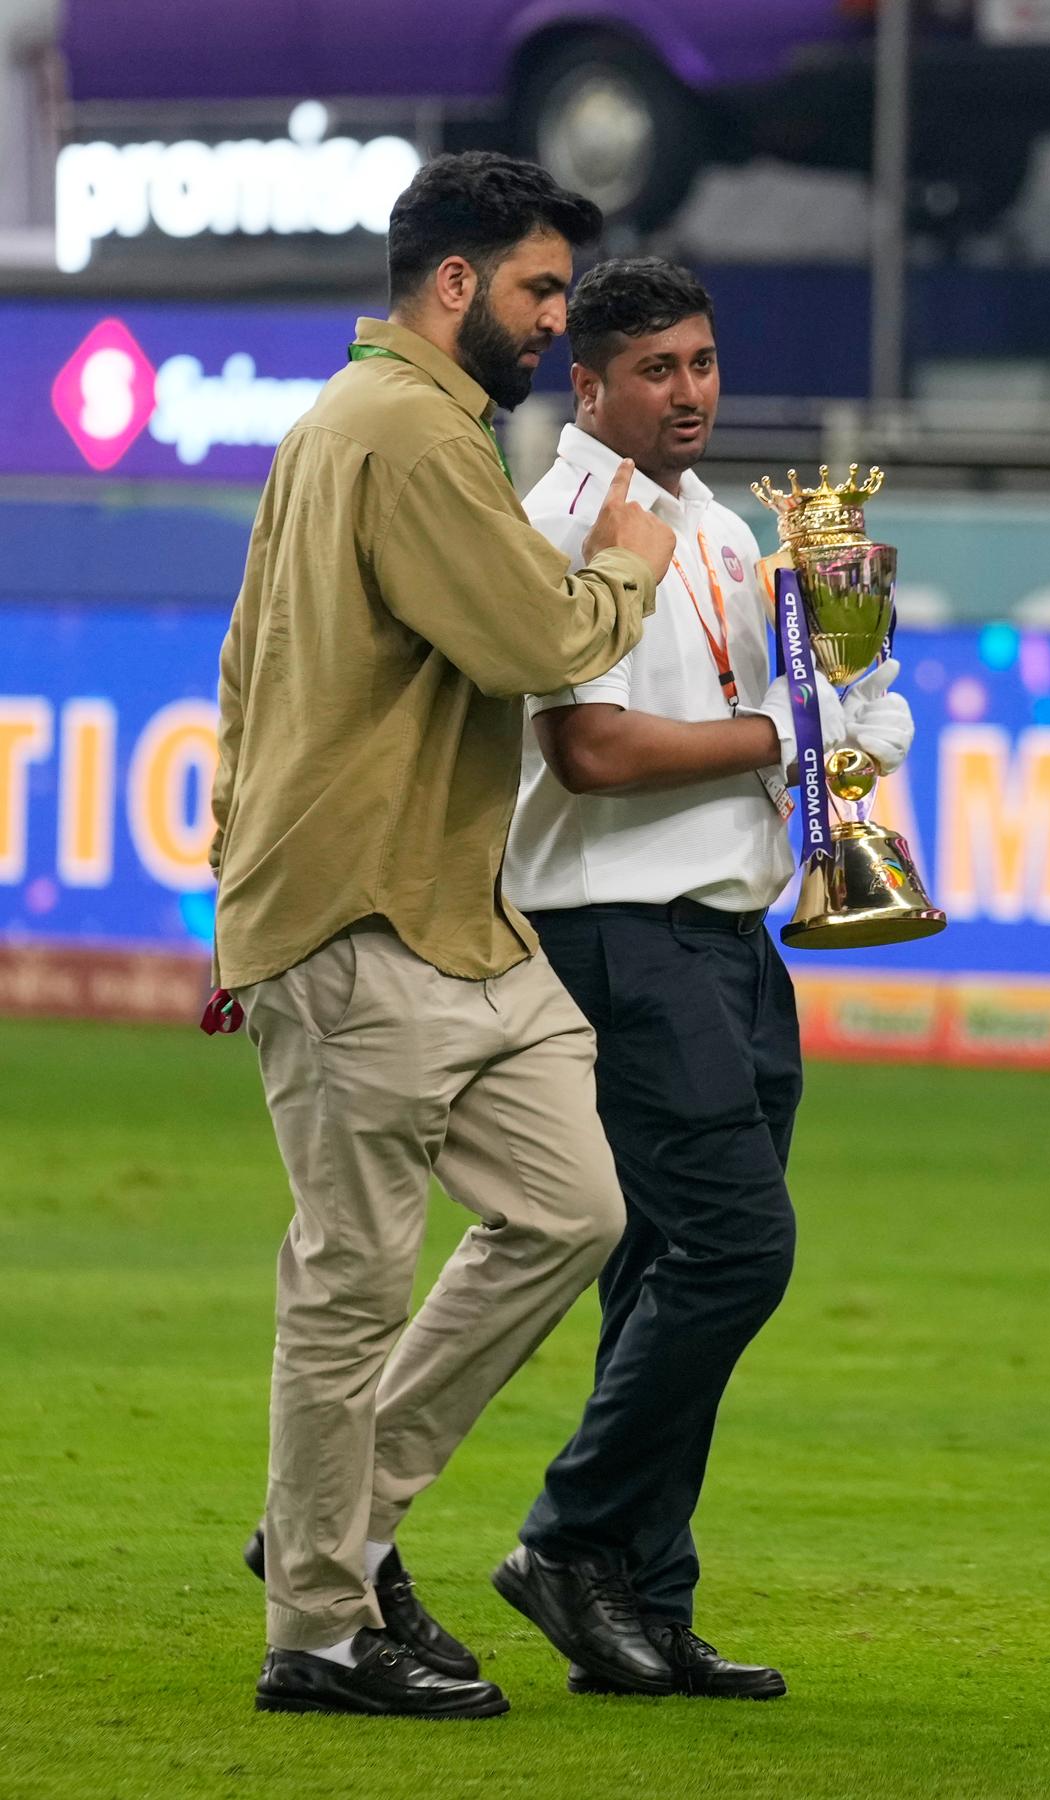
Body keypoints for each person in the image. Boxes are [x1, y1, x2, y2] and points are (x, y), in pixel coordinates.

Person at [210, 159, 676, 1720]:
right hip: (361, 917)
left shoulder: (352, 425)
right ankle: (320, 1636)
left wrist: (237, 877)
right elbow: (533, 643)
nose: (559, 321)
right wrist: (627, 567)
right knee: (352, 1283)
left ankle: (324, 1531)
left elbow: (242, 674)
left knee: (573, 1207)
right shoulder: (407, 433)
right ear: (459, 285)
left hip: (442, 914)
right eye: (542, 290)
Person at [489, 258, 914, 1698]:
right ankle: (568, 1540)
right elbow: (590, 756)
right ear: (585, 382)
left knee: (663, 1272)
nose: (690, 392)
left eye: (704, 362)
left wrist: (844, 704)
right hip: (616, 932)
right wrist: (786, 742)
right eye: (656, 370)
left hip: (728, 936)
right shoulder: (557, 523)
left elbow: (775, 710)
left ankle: (643, 1607)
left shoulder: (728, 531)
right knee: (737, 1251)